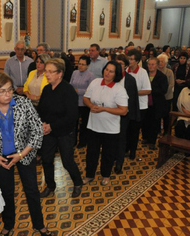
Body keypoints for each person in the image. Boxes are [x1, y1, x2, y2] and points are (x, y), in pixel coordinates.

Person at [0, 73, 51, 236]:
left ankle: (39, 224)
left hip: (25, 154)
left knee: (32, 191)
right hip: (0, 158)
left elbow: (37, 131)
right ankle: (8, 224)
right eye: (2, 91)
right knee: (6, 192)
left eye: (10, 89)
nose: (8, 94)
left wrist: (21, 155)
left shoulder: (24, 103)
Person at [38, 58, 83, 198]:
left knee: (67, 161)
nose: (47, 74)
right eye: (46, 71)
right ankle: (51, 186)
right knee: (46, 159)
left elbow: (71, 116)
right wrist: (43, 124)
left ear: (60, 73)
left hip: (64, 132)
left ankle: (77, 182)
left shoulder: (68, 91)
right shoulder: (46, 89)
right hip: (48, 132)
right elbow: (40, 110)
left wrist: (51, 126)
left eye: (51, 72)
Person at [83, 61, 128, 185]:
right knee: (91, 152)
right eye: (106, 69)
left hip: (110, 129)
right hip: (93, 126)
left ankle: (106, 175)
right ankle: (89, 175)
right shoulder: (95, 82)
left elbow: (123, 111)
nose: (107, 73)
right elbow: (85, 98)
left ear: (116, 74)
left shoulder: (119, 89)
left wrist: (104, 109)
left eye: (111, 71)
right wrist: (91, 105)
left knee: (108, 154)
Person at [114, 54, 140, 174]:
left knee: (121, 138)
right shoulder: (111, 77)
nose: (119, 66)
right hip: (111, 113)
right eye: (117, 63)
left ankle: (119, 163)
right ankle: (111, 157)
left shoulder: (130, 79)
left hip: (124, 114)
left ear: (125, 66)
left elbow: (133, 99)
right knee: (111, 137)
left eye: (121, 64)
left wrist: (133, 116)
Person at [125, 49, 152, 159]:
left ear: (137, 61)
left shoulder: (142, 72)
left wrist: (133, 93)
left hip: (140, 106)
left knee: (134, 130)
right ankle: (125, 148)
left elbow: (148, 90)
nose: (129, 61)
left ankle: (133, 150)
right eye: (128, 59)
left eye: (131, 59)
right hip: (126, 105)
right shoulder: (125, 71)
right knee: (126, 129)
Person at [142, 57, 168, 150]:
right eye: (149, 64)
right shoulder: (144, 75)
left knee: (154, 122)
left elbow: (164, 90)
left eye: (152, 64)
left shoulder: (162, 76)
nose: (150, 66)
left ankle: (152, 141)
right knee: (145, 121)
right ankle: (146, 138)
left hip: (156, 103)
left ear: (157, 65)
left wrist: (150, 90)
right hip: (145, 102)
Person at [70, 56, 95, 149]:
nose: (80, 66)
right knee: (74, 123)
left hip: (84, 103)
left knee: (84, 124)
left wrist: (78, 91)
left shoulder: (90, 75)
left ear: (88, 65)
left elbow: (91, 90)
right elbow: (70, 85)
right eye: (79, 64)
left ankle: (83, 141)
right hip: (74, 102)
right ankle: (73, 141)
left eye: (83, 64)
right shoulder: (74, 73)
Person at [157, 54, 175, 135]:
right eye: (159, 61)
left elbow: (171, 85)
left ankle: (166, 131)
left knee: (166, 115)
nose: (160, 63)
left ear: (166, 63)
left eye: (162, 61)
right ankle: (157, 130)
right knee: (156, 115)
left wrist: (162, 93)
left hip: (167, 97)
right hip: (157, 97)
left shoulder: (169, 72)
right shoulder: (154, 71)